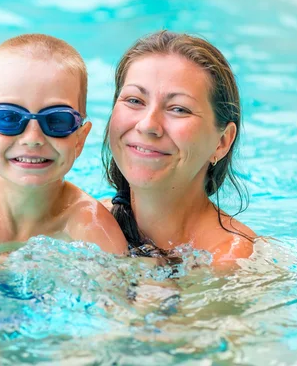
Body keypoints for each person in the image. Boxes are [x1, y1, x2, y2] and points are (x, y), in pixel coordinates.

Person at [0, 33, 128, 255]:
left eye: (57, 120)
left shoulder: (91, 224)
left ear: (80, 139)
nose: (33, 138)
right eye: (8, 118)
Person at [102, 30, 256, 266]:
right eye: (134, 100)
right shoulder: (84, 223)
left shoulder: (237, 263)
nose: (148, 125)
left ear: (222, 142)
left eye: (179, 109)